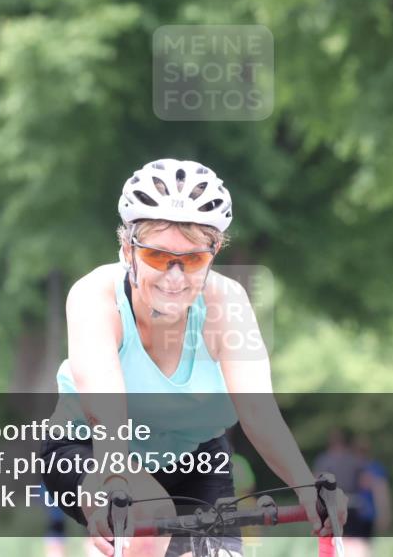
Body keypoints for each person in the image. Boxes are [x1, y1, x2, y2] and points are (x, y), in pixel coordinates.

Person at [41, 159, 346, 557]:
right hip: (91, 448)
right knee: (148, 520)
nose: (174, 277)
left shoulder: (227, 303)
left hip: (196, 458)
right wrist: (113, 483)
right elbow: (106, 412)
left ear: (213, 254)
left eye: (193, 260)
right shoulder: (94, 295)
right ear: (127, 250)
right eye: (157, 256)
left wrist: (308, 488)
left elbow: (259, 412)